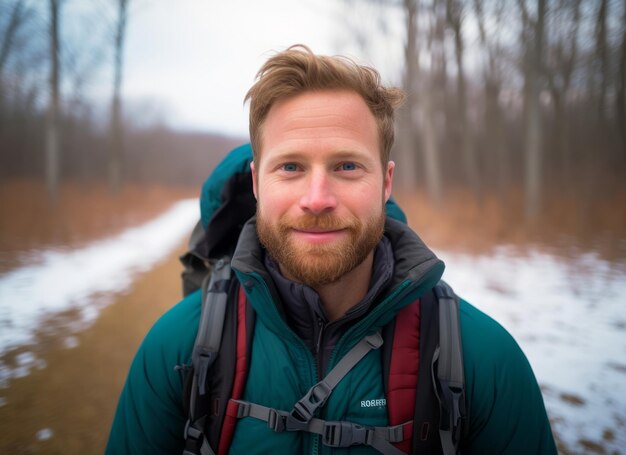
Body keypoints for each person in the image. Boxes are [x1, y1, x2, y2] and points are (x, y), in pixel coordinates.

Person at [106, 45, 557, 454]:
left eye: (346, 165)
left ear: (385, 183)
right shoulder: (178, 348)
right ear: (257, 182)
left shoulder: (482, 360)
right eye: (290, 166)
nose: (317, 198)